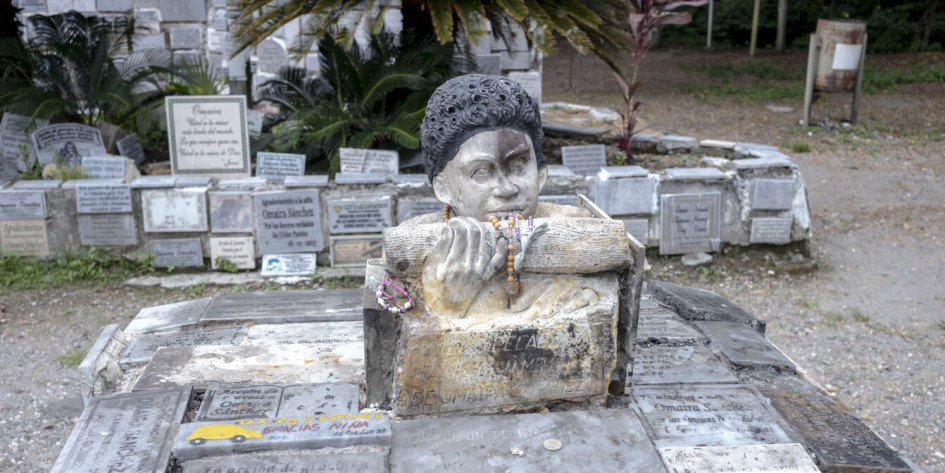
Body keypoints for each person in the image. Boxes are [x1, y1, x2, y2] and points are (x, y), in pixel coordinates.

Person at [403, 74, 593, 316]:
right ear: (444, 188)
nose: (506, 189)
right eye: (481, 172)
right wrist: (445, 306)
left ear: (541, 173)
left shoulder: (582, 235)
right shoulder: (413, 247)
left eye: (518, 165)